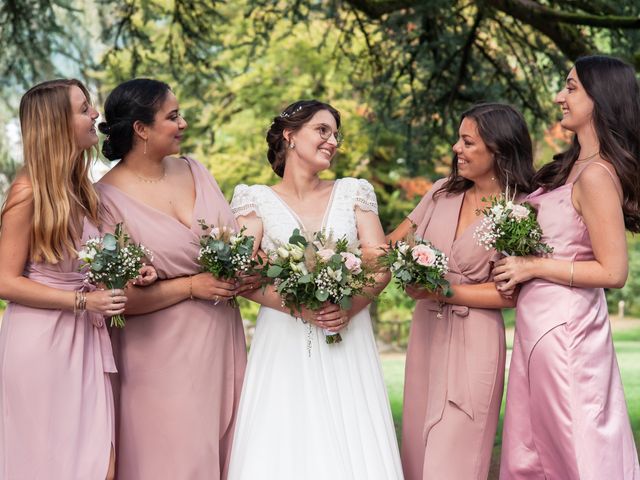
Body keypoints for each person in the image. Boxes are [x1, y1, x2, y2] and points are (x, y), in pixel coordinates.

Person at [226, 100, 403, 479]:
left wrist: (350, 306)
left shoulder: (355, 191)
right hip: (284, 339)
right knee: (286, 436)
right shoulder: (254, 199)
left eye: (336, 134)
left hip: (346, 333)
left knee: (351, 434)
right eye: (323, 130)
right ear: (290, 135)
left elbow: (380, 262)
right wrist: (298, 307)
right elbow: (241, 274)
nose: (333, 141)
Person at [96, 78, 252, 479]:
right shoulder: (103, 200)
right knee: (172, 461)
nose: (183, 124)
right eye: (173, 116)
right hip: (159, 356)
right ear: (141, 129)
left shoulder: (195, 171)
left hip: (222, 341)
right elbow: (116, 300)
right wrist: (189, 286)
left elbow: (233, 243)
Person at [494, 55, 640, 479]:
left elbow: (614, 272)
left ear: (601, 98)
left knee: (576, 445)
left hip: (567, 334)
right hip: (536, 327)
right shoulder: (565, 168)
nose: (560, 96)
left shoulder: (595, 176)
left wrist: (532, 266)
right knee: (532, 449)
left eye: (572, 87)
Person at [386, 103, 536, 479]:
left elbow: (509, 295)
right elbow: (390, 246)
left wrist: (441, 291)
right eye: (458, 139)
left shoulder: (522, 209)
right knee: (417, 454)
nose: (456, 148)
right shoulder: (440, 193)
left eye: (467, 142)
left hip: (475, 340)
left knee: (455, 457)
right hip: (426, 334)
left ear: (498, 149)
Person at [0, 79, 126, 479]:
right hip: (41, 345)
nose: (95, 115)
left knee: (99, 465)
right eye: (84, 108)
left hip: (85, 340)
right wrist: (83, 302)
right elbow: (3, 280)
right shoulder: (27, 193)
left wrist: (129, 270)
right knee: (46, 464)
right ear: (56, 123)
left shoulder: (84, 192)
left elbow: (89, 262)